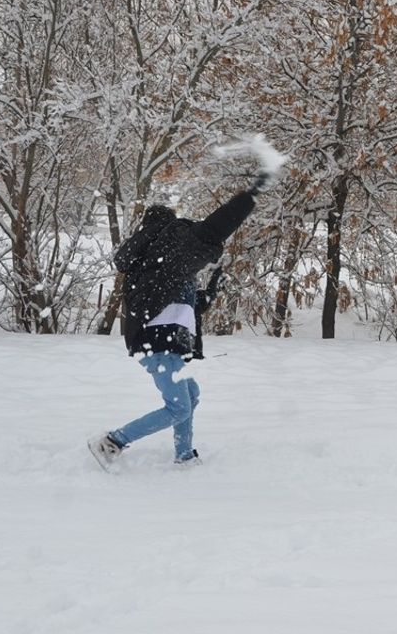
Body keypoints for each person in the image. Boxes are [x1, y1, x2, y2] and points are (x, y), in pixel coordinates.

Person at [88, 174, 268, 470]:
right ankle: (112, 442)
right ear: (168, 231)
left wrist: (208, 291)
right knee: (179, 407)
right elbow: (213, 228)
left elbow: (184, 307)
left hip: (164, 342)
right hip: (157, 344)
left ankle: (183, 455)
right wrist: (249, 196)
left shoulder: (161, 270)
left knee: (191, 396)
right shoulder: (163, 261)